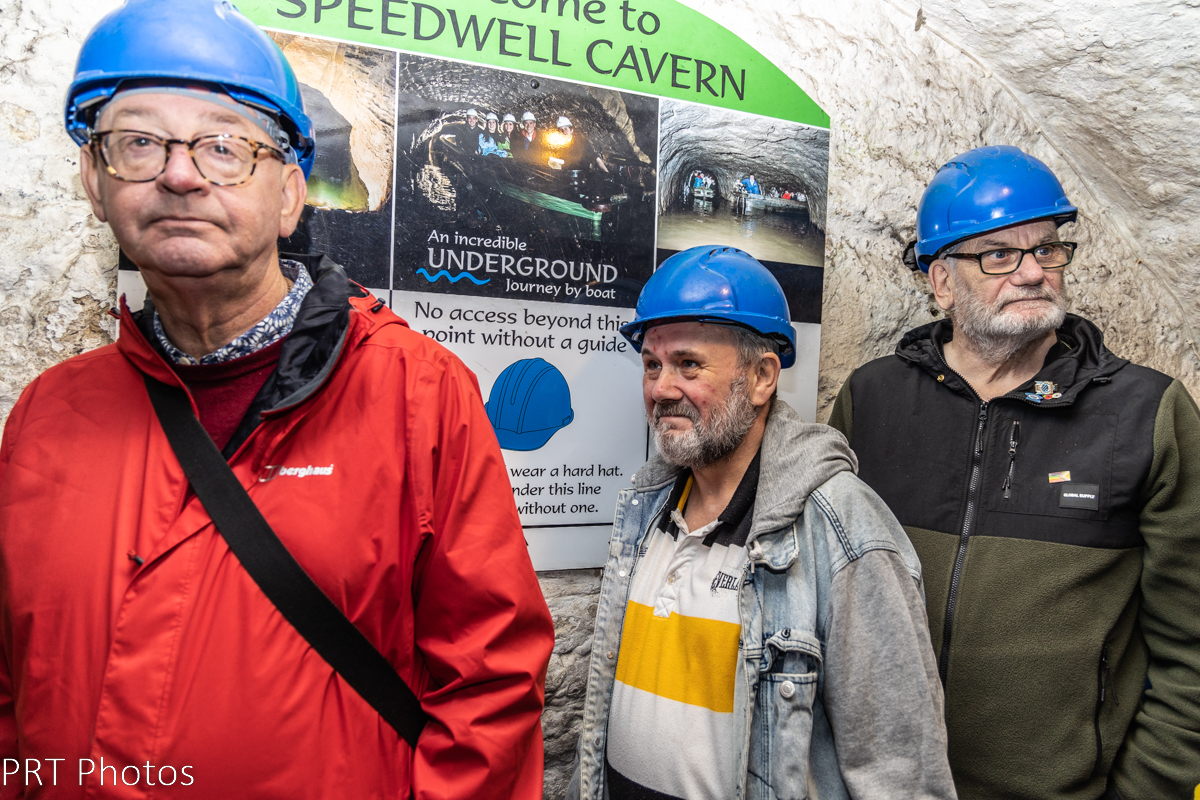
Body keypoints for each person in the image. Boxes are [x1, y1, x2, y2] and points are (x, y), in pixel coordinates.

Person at [0, 1, 555, 798]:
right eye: (139, 143)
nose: (180, 175)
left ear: (291, 194)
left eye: (225, 147)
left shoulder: (417, 395)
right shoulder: (47, 416)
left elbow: (490, 686)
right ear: (94, 180)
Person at [828, 145, 1200, 800]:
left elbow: (1191, 646)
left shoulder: (1148, 412)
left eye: (1047, 249)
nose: (1032, 273)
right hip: (881, 785)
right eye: (999, 255)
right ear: (942, 281)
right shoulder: (871, 400)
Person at [568, 245, 956, 800]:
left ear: (761, 377)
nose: (660, 389)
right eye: (652, 364)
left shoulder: (843, 529)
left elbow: (901, 771)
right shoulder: (646, 508)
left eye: (688, 364)